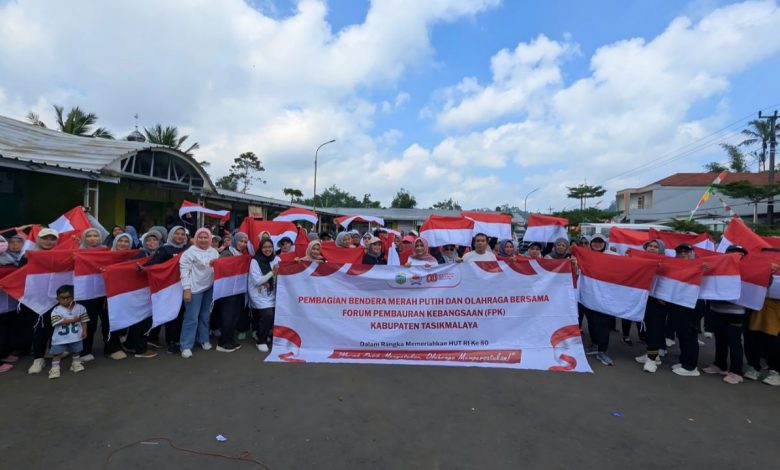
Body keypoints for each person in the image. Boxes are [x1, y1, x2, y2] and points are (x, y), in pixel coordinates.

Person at [129, 225, 190, 357]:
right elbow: (154, 263)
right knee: (173, 314)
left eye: (182, 234)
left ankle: (180, 339)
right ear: (171, 235)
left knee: (182, 314)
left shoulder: (189, 248)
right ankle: (172, 342)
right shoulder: (164, 249)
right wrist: (144, 268)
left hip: (186, 285)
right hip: (170, 286)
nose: (179, 236)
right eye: (177, 233)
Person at [702, 245, 750, 384]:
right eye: (732, 253)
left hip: (737, 312)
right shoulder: (717, 266)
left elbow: (762, 283)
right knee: (720, 340)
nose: (735, 256)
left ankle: (736, 371)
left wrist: (768, 273)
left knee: (734, 341)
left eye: (739, 254)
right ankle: (719, 364)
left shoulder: (749, 270)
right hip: (717, 310)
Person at [79, 228, 126, 363]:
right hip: (86, 294)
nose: (92, 238)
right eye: (89, 236)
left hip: (106, 292)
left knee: (109, 321)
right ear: (84, 238)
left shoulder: (107, 252)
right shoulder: (77, 253)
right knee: (89, 322)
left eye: (95, 235)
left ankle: (112, 348)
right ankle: (84, 350)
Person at [23, 228, 61, 374]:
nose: (48, 242)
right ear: (38, 239)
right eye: (45, 238)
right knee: (41, 327)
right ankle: (38, 358)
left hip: (57, 298)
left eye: (52, 239)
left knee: (57, 325)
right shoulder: (28, 255)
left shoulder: (62, 255)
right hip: (37, 298)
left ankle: (54, 352)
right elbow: (19, 276)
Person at [179, 228, 219, 358]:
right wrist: (186, 289)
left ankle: (203, 339)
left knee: (205, 315)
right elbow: (184, 271)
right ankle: (186, 345)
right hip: (194, 288)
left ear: (210, 239)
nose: (203, 239)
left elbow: (218, 268)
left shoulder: (214, 251)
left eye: (206, 237)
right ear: (196, 238)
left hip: (209, 287)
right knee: (191, 317)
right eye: (200, 237)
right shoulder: (189, 252)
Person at [635, 239, 668, 373]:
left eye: (656, 246)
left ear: (661, 250)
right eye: (650, 246)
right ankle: (652, 354)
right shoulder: (641, 260)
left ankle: (652, 360)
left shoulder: (667, 263)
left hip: (658, 301)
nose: (652, 248)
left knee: (655, 329)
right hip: (644, 299)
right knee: (645, 328)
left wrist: (665, 297)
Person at [670, 243, 702, 377]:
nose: (683, 254)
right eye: (680, 252)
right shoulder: (675, 266)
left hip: (693, 304)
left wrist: (704, 269)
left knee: (690, 335)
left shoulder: (700, 265)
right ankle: (684, 360)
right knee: (682, 334)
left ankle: (691, 367)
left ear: (692, 253)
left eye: (686, 251)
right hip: (679, 304)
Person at [216, 232, 249, 353]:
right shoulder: (227, 253)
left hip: (238, 290)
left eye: (245, 242)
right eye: (240, 241)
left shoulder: (241, 255)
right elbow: (220, 268)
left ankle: (229, 339)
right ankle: (222, 343)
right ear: (235, 241)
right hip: (227, 291)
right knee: (227, 316)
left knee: (234, 316)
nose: (242, 244)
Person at [47, 285, 89, 379]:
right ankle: (55, 368)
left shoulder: (80, 308)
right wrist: (73, 320)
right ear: (57, 299)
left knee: (76, 351)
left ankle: (76, 363)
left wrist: (84, 331)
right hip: (60, 338)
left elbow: (84, 321)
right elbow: (57, 322)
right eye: (62, 298)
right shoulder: (56, 310)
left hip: (76, 336)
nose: (65, 300)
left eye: (68, 297)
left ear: (73, 297)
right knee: (57, 353)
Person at [248, 238, 280, 352]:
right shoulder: (255, 261)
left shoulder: (276, 259)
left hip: (272, 293)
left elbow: (286, 268)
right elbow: (257, 281)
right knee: (268, 315)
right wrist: (272, 272)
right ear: (260, 248)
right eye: (265, 247)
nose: (268, 249)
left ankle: (261, 332)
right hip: (258, 294)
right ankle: (261, 341)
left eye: (270, 247)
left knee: (275, 314)